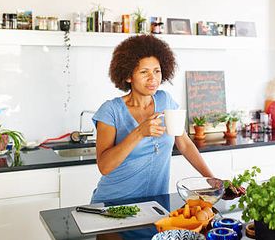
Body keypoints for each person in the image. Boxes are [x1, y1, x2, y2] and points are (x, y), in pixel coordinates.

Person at [91, 35, 214, 203]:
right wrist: (139, 132)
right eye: (144, 72)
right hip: (114, 205)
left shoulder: (166, 101)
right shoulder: (111, 110)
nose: (153, 79)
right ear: (128, 76)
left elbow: (184, 144)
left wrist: (212, 180)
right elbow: (104, 167)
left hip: (155, 206)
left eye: (157, 71)